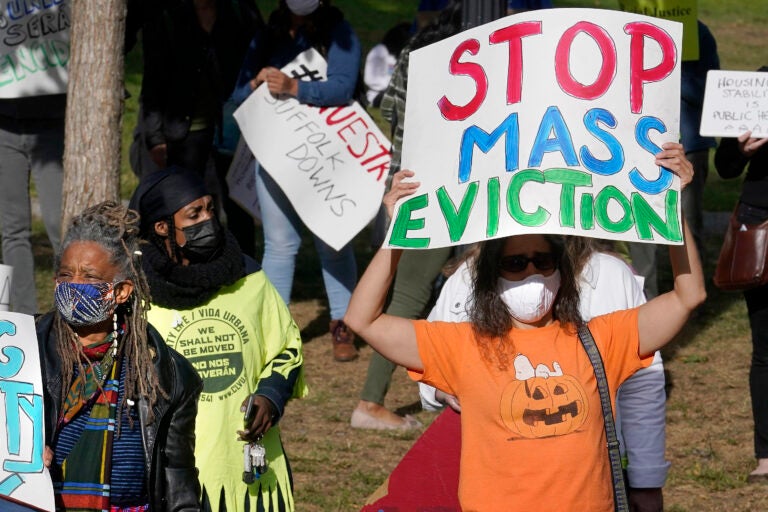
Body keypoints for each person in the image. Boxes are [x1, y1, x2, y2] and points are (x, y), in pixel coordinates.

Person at [344, 143, 705, 510]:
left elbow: (687, 296)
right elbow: (362, 319)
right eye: (515, 263)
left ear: (561, 270)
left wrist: (672, 207)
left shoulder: (602, 338)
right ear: (490, 275)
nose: (531, 272)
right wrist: (396, 235)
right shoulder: (463, 344)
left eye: (543, 261)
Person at [419, 236, 669, 510]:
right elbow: (430, 359)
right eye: (515, 263)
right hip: (499, 485)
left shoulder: (609, 274)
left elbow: (642, 384)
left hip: (589, 486)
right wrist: (440, 389)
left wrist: (646, 478)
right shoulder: (470, 275)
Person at [130, 166, 308, 512]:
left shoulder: (248, 277)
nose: (208, 219)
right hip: (174, 471)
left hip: (243, 464)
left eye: (210, 208)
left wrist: (271, 396)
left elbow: (287, 346)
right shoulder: (137, 293)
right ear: (162, 227)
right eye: (194, 213)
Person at [37, 201, 202, 510]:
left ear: (122, 291)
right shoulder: (24, 351)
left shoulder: (166, 375)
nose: (74, 286)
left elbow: (178, 480)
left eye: (89, 277)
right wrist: (17, 456)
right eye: (65, 274)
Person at [351, 1, 463, 430]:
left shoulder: (416, 50)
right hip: (440, 193)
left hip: (411, 186)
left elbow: (390, 113)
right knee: (409, 298)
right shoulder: (466, 62)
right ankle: (370, 403)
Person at [230, 0, 362, 362]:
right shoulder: (267, 35)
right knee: (278, 245)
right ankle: (276, 334)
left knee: (332, 241)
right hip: (274, 153)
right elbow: (238, 94)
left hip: (323, 156)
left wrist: (295, 88)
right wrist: (255, 83)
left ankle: (344, 325)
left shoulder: (340, 32)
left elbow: (343, 87)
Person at [714, 125, 768, 482]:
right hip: (762, 229)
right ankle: (767, 455)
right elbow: (725, 166)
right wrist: (741, 149)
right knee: (766, 350)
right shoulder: (757, 88)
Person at [0, 48, 66, 315]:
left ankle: (67, 312)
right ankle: (23, 318)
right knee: (13, 230)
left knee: (59, 225)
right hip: (4, 124)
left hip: (51, 121)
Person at [363, 22, 410, 108]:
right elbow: (369, 79)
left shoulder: (396, 54)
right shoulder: (378, 52)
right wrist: (390, 85)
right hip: (378, 93)